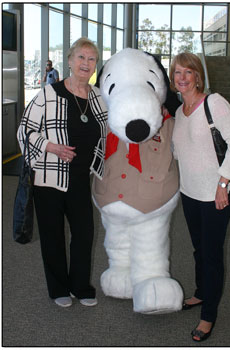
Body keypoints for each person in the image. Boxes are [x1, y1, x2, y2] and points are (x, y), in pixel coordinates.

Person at [17, 37, 108, 308]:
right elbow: (25, 130)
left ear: (96, 65)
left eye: (91, 59)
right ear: (69, 61)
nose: (86, 63)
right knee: (52, 235)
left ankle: (80, 286)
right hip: (49, 178)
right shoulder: (48, 94)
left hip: (81, 178)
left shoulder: (100, 98)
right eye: (81, 57)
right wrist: (51, 147)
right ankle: (58, 288)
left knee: (84, 234)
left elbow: (113, 129)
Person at [169, 52, 230, 341]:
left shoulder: (214, 103)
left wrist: (223, 184)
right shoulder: (179, 112)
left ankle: (208, 316)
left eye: (188, 72)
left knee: (212, 254)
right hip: (190, 192)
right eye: (177, 73)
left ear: (197, 76)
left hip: (216, 194)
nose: (182, 78)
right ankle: (202, 293)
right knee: (199, 249)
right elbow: (181, 150)